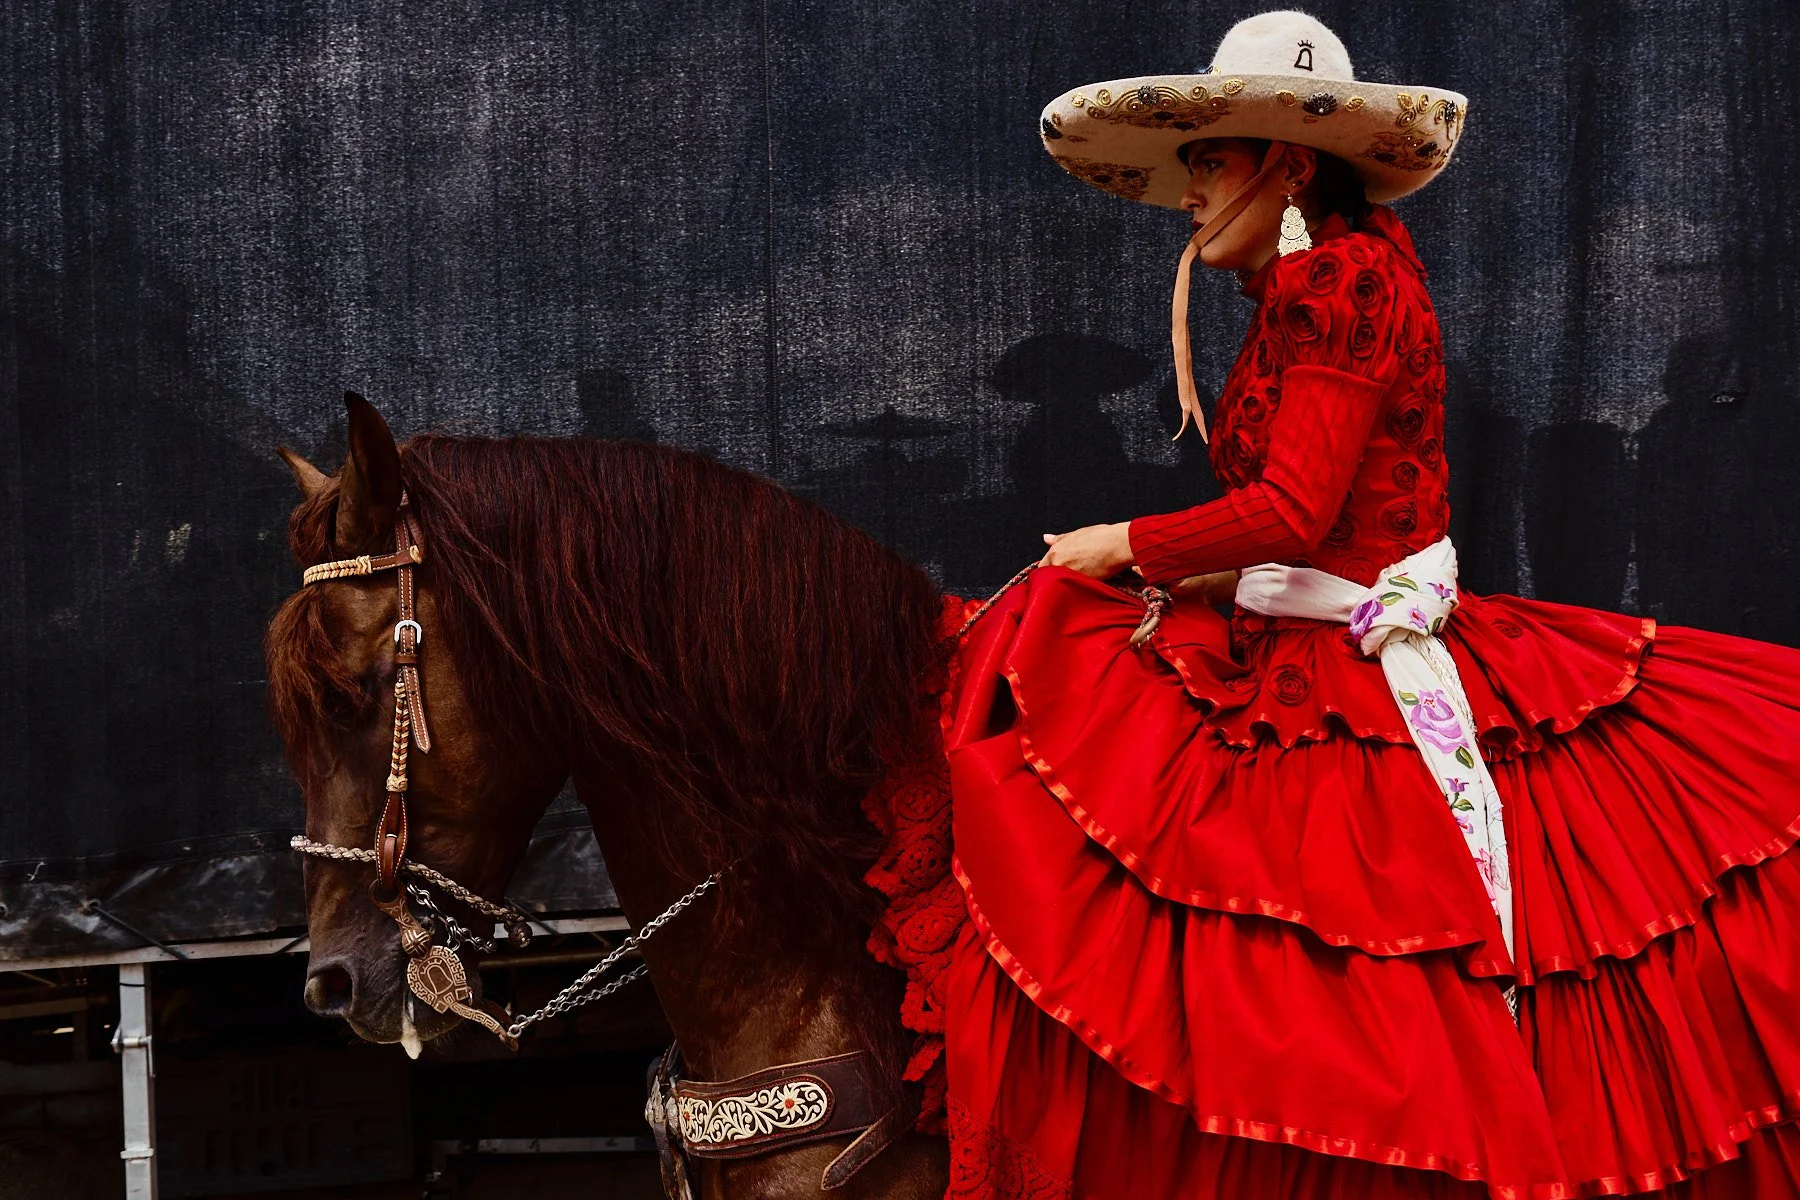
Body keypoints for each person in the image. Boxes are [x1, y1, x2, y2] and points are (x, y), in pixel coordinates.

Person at [901, 10, 1800, 1199]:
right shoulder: (1320, 280)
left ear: (1284, 161)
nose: (1187, 191)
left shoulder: (1338, 279)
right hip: (1312, 620)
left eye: (1209, 159)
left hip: (1361, 650)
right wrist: (1207, 576)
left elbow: (1289, 507)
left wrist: (1130, 545)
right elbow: (1321, 520)